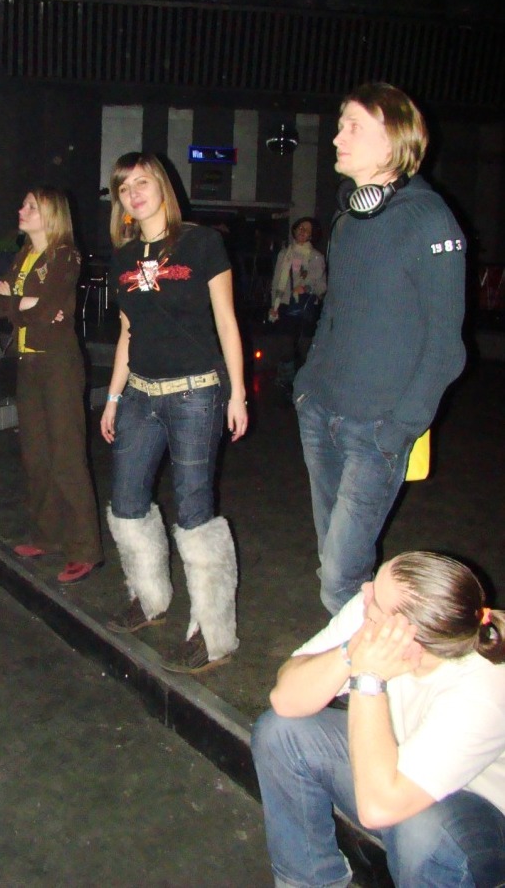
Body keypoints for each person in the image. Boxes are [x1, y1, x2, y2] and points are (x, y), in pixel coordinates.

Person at [294, 83, 466, 614]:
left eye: (354, 127)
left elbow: (446, 347)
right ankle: (358, 654)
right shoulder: (349, 218)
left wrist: (401, 428)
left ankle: (362, 665)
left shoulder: (429, 219)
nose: (337, 138)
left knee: (339, 577)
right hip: (320, 413)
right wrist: (306, 386)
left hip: (377, 430)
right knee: (332, 560)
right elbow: (337, 311)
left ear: (393, 140)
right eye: (339, 125)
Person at [251, 551, 505, 888]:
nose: (365, 590)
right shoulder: (372, 611)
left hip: (484, 823)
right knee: (281, 733)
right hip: (401, 770)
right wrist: (351, 652)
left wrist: (369, 677)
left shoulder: (483, 689)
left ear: (407, 636)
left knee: (422, 831)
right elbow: (285, 698)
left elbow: (378, 808)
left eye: (375, 598)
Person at [100, 152, 248, 674]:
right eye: (124, 187)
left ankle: (212, 631)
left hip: (195, 394)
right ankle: (149, 597)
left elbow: (227, 322)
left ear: (163, 186)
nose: (134, 193)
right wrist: (113, 397)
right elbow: (128, 332)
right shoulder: (122, 257)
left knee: (194, 510)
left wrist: (237, 393)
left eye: (142, 182)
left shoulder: (201, 243)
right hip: (139, 395)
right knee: (126, 503)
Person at [0, 187, 103, 584]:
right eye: (23, 204)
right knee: (35, 454)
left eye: (31, 206)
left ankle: (85, 549)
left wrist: (17, 301)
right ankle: (47, 535)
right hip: (28, 362)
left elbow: (49, 308)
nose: (21, 210)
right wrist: (25, 303)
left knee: (66, 456)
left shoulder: (65, 255)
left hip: (58, 364)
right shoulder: (24, 255)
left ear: (51, 214)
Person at [269, 217, 327, 383]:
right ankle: (286, 382)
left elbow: (322, 286)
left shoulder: (316, 257)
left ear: (311, 235)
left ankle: (304, 383)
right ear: (294, 230)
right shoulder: (284, 254)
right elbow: (276, 281)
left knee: (304, 348)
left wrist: (306, 288)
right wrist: (273, 305)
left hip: (305, 307)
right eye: (300, 227)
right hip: (285, 304)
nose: (302, 231)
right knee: (285, 347)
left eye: (307, 230)